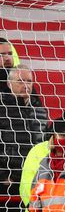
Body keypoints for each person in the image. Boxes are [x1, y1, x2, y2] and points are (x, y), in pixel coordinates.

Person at [1, 65, 48, 201]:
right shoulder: (2, 108)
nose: (26, 85)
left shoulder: (40, 109)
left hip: (36, 179)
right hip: (9, 182)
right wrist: (3, 176)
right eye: (20, 81)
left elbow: (44, 142)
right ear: (9, 84)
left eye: (28, 81)